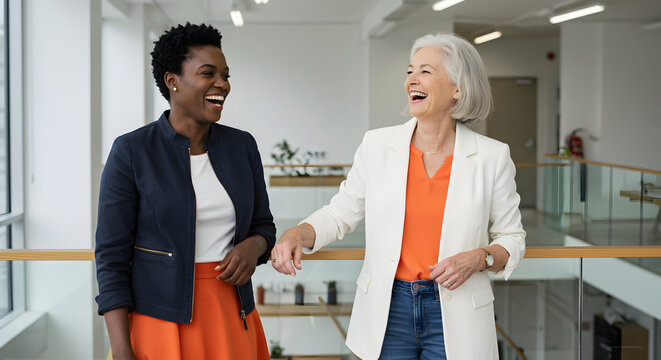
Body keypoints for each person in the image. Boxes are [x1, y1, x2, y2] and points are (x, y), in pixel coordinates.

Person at [271, 32, 526, 360]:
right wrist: (296, 233)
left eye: (425, 71)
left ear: (458, 89)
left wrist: (480, 257)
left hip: (457, 310)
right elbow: (339, 214)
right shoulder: (377, 145)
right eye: (409, 71)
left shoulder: (492, 156)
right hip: (388, 309)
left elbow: (512, 237)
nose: (411, 80)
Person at [95, 23, 275, 360]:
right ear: (172, 81)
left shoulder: (242, 146)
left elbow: (264, 225)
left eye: (225, 74)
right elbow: (111, 257)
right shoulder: (132, 151)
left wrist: (254, 246)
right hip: (157, 321)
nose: (222, 84)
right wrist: (121, 349)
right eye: (208, 73)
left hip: (231, 314)